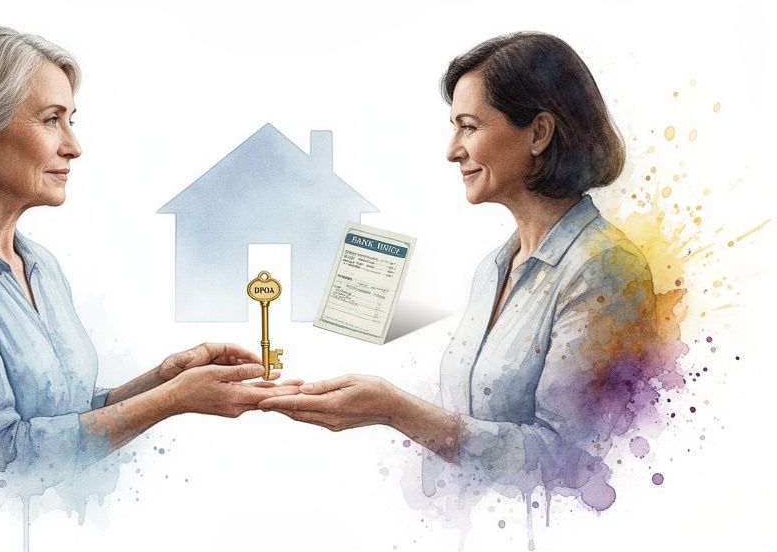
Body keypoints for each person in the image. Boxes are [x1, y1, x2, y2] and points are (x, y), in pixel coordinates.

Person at [0, 27, 300, 529]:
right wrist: (172, 401)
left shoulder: (40, 266)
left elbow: (60, 419)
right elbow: (1, 460)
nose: (74, 147)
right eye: (52, 121)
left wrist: (163, 380)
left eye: (71, 121)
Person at [260, 32, 658, 509]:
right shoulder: (493, 269)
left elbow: (573, 465)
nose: (452, 150)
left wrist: (393, 410)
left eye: (469, 127)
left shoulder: (605, 270)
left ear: (539, 133)